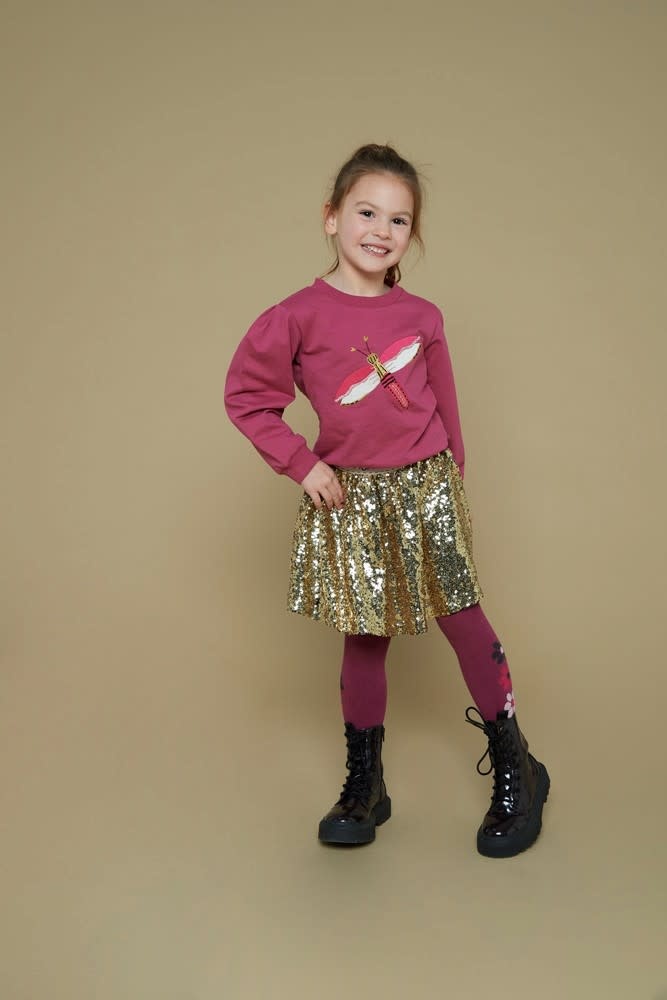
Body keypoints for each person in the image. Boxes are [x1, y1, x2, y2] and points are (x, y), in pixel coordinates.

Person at [224, 143, 550, 857]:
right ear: (331, 218)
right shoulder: (295, 315)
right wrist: (302, 464)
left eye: (398, 220)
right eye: (366, 213)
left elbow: (446, 410)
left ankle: (517, 767)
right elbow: (247, 397)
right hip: (352, 496)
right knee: (364, 636)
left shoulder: (422, 316)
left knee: (462, 619)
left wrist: (449, 485)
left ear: (412, 233)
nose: (381, 230)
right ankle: (365, 784)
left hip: (426, 488)